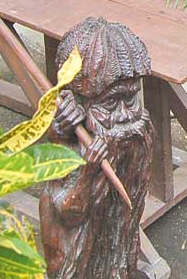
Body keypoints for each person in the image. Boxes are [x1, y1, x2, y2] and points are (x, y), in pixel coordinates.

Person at [39, 17, 153, 279]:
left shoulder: (130, 143)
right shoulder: (70, 153)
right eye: (112, 103)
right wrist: (89, 169)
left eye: (131, 99)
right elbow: (68, 214)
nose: (125, 115)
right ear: (79, 104)